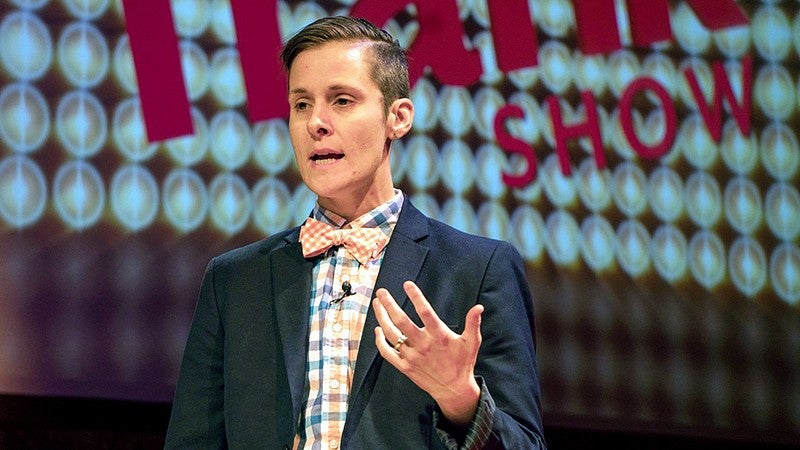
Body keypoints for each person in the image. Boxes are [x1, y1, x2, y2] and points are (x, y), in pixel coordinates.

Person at [164, 15, 546, 449]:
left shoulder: (477, 269)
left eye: (342, 101)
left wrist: (461, 399)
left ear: (397, 117)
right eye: (301, 104)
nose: (315, 124)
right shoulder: (234, 280)